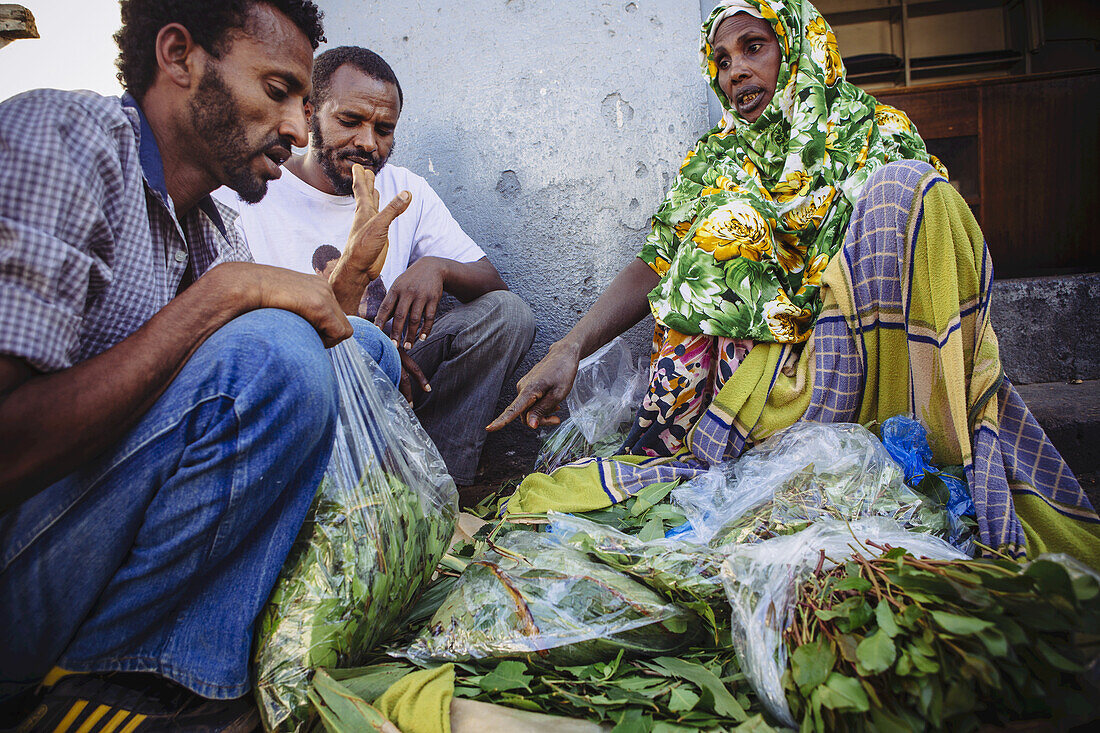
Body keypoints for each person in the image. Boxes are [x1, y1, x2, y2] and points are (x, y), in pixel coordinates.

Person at [489, 0, 1100, 566]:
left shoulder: (873, 131)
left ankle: (919, 427)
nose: (735, 72)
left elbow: (918, 244)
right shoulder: (715, 159)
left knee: (908, 189)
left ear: (799, 45)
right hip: (759, 383)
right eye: (722, 60)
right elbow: (656, 263)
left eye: (754, 46)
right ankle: (709, 449)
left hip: (862, 352)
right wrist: (570, 346)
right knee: (719, 229)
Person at [0, 1, 410, 728]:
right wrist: (219, 299)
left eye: (302, 104)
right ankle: (103, 679)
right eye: (277, 91)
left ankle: (195, 667)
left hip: (87, 546)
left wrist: (337, 284)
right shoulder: (64, 141)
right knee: (273, 352)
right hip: (21, 577)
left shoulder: (211, 226)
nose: (294, 128)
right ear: (179, 55)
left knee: (365, 349)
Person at [215, 46, 535, 489]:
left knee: (507, 315)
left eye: (384, 130)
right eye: (350, 121)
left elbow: (491, 281)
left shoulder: (405, 189)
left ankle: (439, 488)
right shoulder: (254, 189)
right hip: (303, 380)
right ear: (310, 114)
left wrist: (437, 268)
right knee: (365, 343)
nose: (368, 143)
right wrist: (370, 345)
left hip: (401, 379)